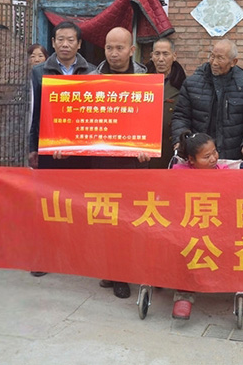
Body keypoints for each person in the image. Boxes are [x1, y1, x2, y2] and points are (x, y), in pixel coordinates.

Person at [94, 26, 150, 299]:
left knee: (127, 219)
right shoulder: (91, 81)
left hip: (132, 163)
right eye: (109, 48)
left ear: (131, 50)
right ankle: (110, 269)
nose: (113, 53)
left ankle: (123, 274)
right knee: (105, 219)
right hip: (101, 163)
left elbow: (149, 122)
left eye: (119, 48)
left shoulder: (146, 82)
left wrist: (146, 148)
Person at [171, 39, 243, 161]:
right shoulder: (192, 83)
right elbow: (181, 116)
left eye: (220, 58)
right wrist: (180, 140)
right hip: (198, 157)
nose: (214, 62)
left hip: (232, 157)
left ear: (233, 62)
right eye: (212, 56)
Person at [170, 130, 229, 320]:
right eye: (206, 156)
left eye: (214, 152)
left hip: (219, 226)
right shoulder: (178, 174)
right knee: (187, 245)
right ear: (191, 160)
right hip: (187, 226)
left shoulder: (227, 174)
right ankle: (184, 294)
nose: (213, 158)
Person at [29, 21, 96, 170]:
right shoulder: (38, 72)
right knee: (50, 184)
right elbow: (34, 112)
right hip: (49, 147)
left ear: (79, 44)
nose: (65, 44)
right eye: (60, 39)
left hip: (82, 148)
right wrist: (32, 148)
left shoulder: (92, 72)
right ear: (53, 42)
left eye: (70, 40)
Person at [145, 37, 186, 167]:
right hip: (144, 148)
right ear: (152, 56)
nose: (161, 59)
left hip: (169, 149)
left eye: (165, 54)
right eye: (157, 54)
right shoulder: (141, 82)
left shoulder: (182, 85)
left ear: (174, 56)